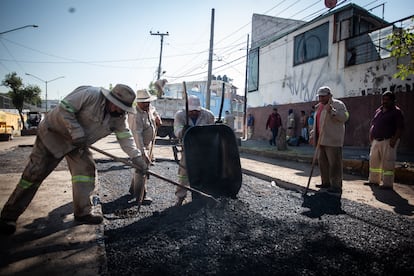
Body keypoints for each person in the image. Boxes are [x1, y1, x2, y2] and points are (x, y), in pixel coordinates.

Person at [0, 84, 148, 235]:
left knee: (86, 172)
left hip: (78, 144)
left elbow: (125, 138)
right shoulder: (90, 95)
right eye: (118, 106)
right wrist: (76, 131)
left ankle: (82, 213)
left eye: (123, 108)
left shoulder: (119, 117)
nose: (119, 110)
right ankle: (8, 217)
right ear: (110, 99)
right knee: (33, 175)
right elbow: (64, 108)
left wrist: (137, 158)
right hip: (53, 134)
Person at [173, 95, 215, 206]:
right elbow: (176, 131)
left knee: (203, 173)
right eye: (191, 111)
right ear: (187, 109)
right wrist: (183, 131)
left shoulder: (208, 115)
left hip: (204, 149)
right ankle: (180, 197)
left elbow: (213, 131)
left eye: (196, 110)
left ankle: (201, 196)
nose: (194, 113)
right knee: (184, 174)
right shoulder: (180, 115)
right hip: (188, 149)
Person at [309, 86, 349, 195]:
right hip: (320, 140)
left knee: (334, 164)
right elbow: (316, 123)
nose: (320, 98)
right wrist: (312, 135)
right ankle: (325, 182)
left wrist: (333, 111)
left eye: (323, 96)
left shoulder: (338, 104)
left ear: (329, 95)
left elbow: (345, 117)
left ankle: (336, 185)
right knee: (323, 163)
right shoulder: (319, 107)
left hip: (333, 140)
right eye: (319, 96)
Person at [128, 89, 162, 205]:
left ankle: (133, 189)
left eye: (148, 102)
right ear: (138, 102)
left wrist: (157, 118)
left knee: (140, 169)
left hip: (148, 144)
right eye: (144, 103)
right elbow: (137, 136)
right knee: (142, 170)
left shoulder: (149, 107)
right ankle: (140, 196)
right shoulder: (135, 115)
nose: (147, 104)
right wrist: (143, 152)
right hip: (138, 147)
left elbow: (154, 112)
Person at [365, 91, 404, 190]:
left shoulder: (396, 112)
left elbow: (400, 128)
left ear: (393, 101)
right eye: (383, 99)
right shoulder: (379, 111)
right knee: (374, 162)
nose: (384, 102)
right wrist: (371, 135)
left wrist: (394, 140)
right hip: (376, 141)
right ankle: (373, 181)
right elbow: (373, 124)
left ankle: (387, 184)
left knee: (388, 162)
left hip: (389, 140)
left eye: (387, 100)